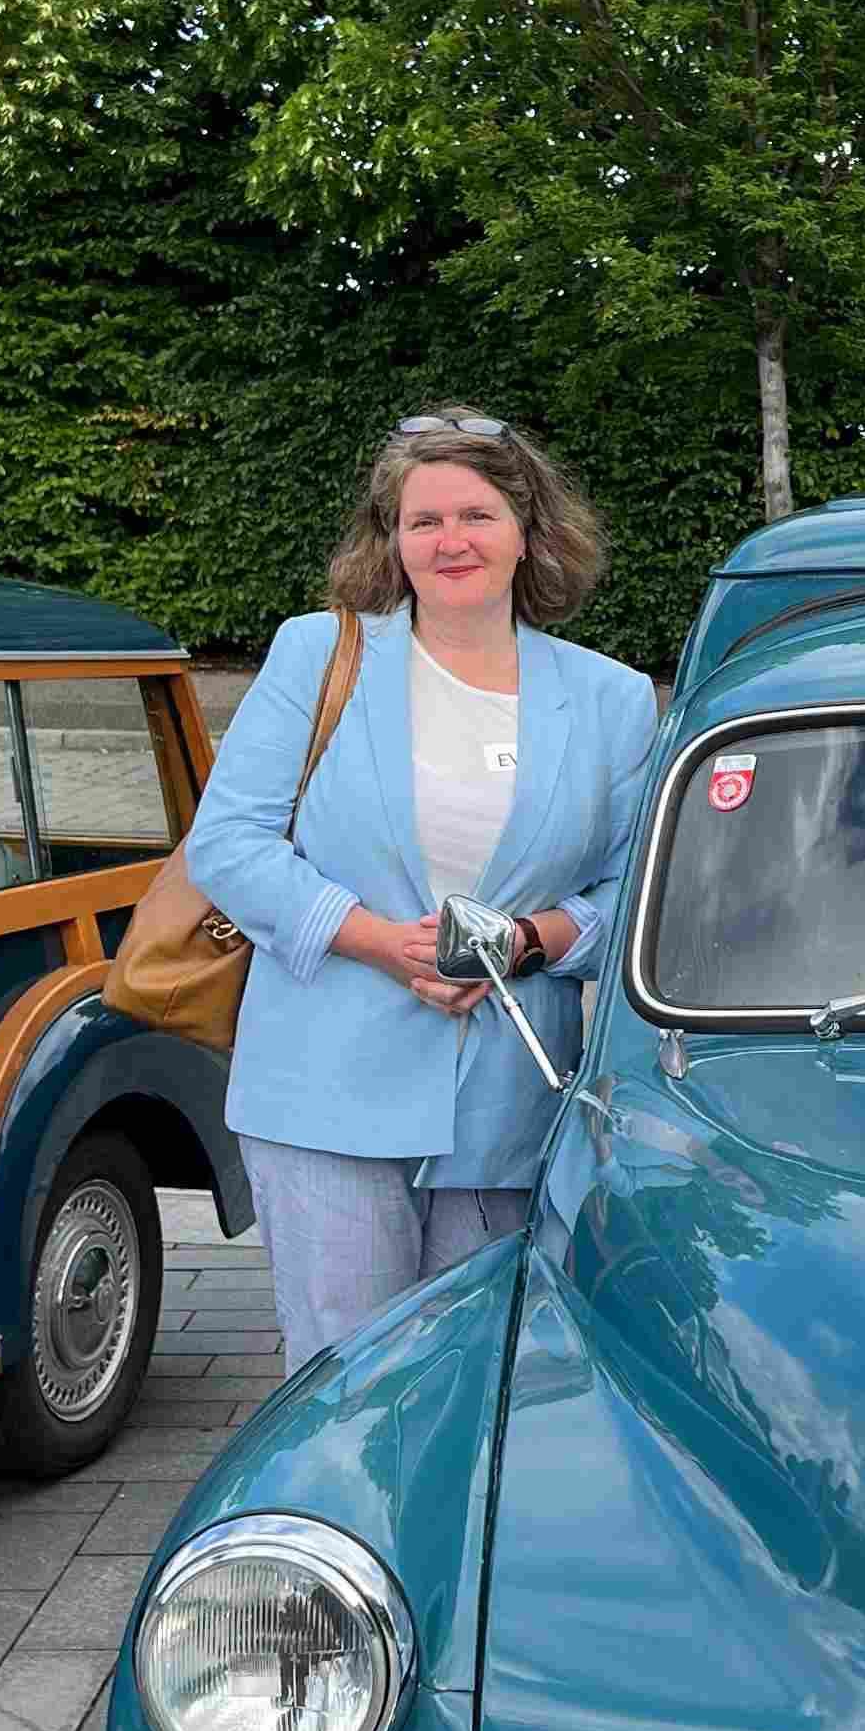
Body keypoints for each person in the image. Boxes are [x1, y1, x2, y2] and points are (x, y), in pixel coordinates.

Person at [186, 410, 659, 1371]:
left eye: (477, 516)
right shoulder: (320, 655)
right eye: (424, 521)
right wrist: (377, 940)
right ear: (391, 540)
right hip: (324, 1091)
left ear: (528, 531)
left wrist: (528, 940)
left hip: (507, 1105)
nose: (452, 542)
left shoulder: (612, 699)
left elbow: (640, 894)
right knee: (348, 1382)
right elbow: (228, 844)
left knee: (480, 1380)